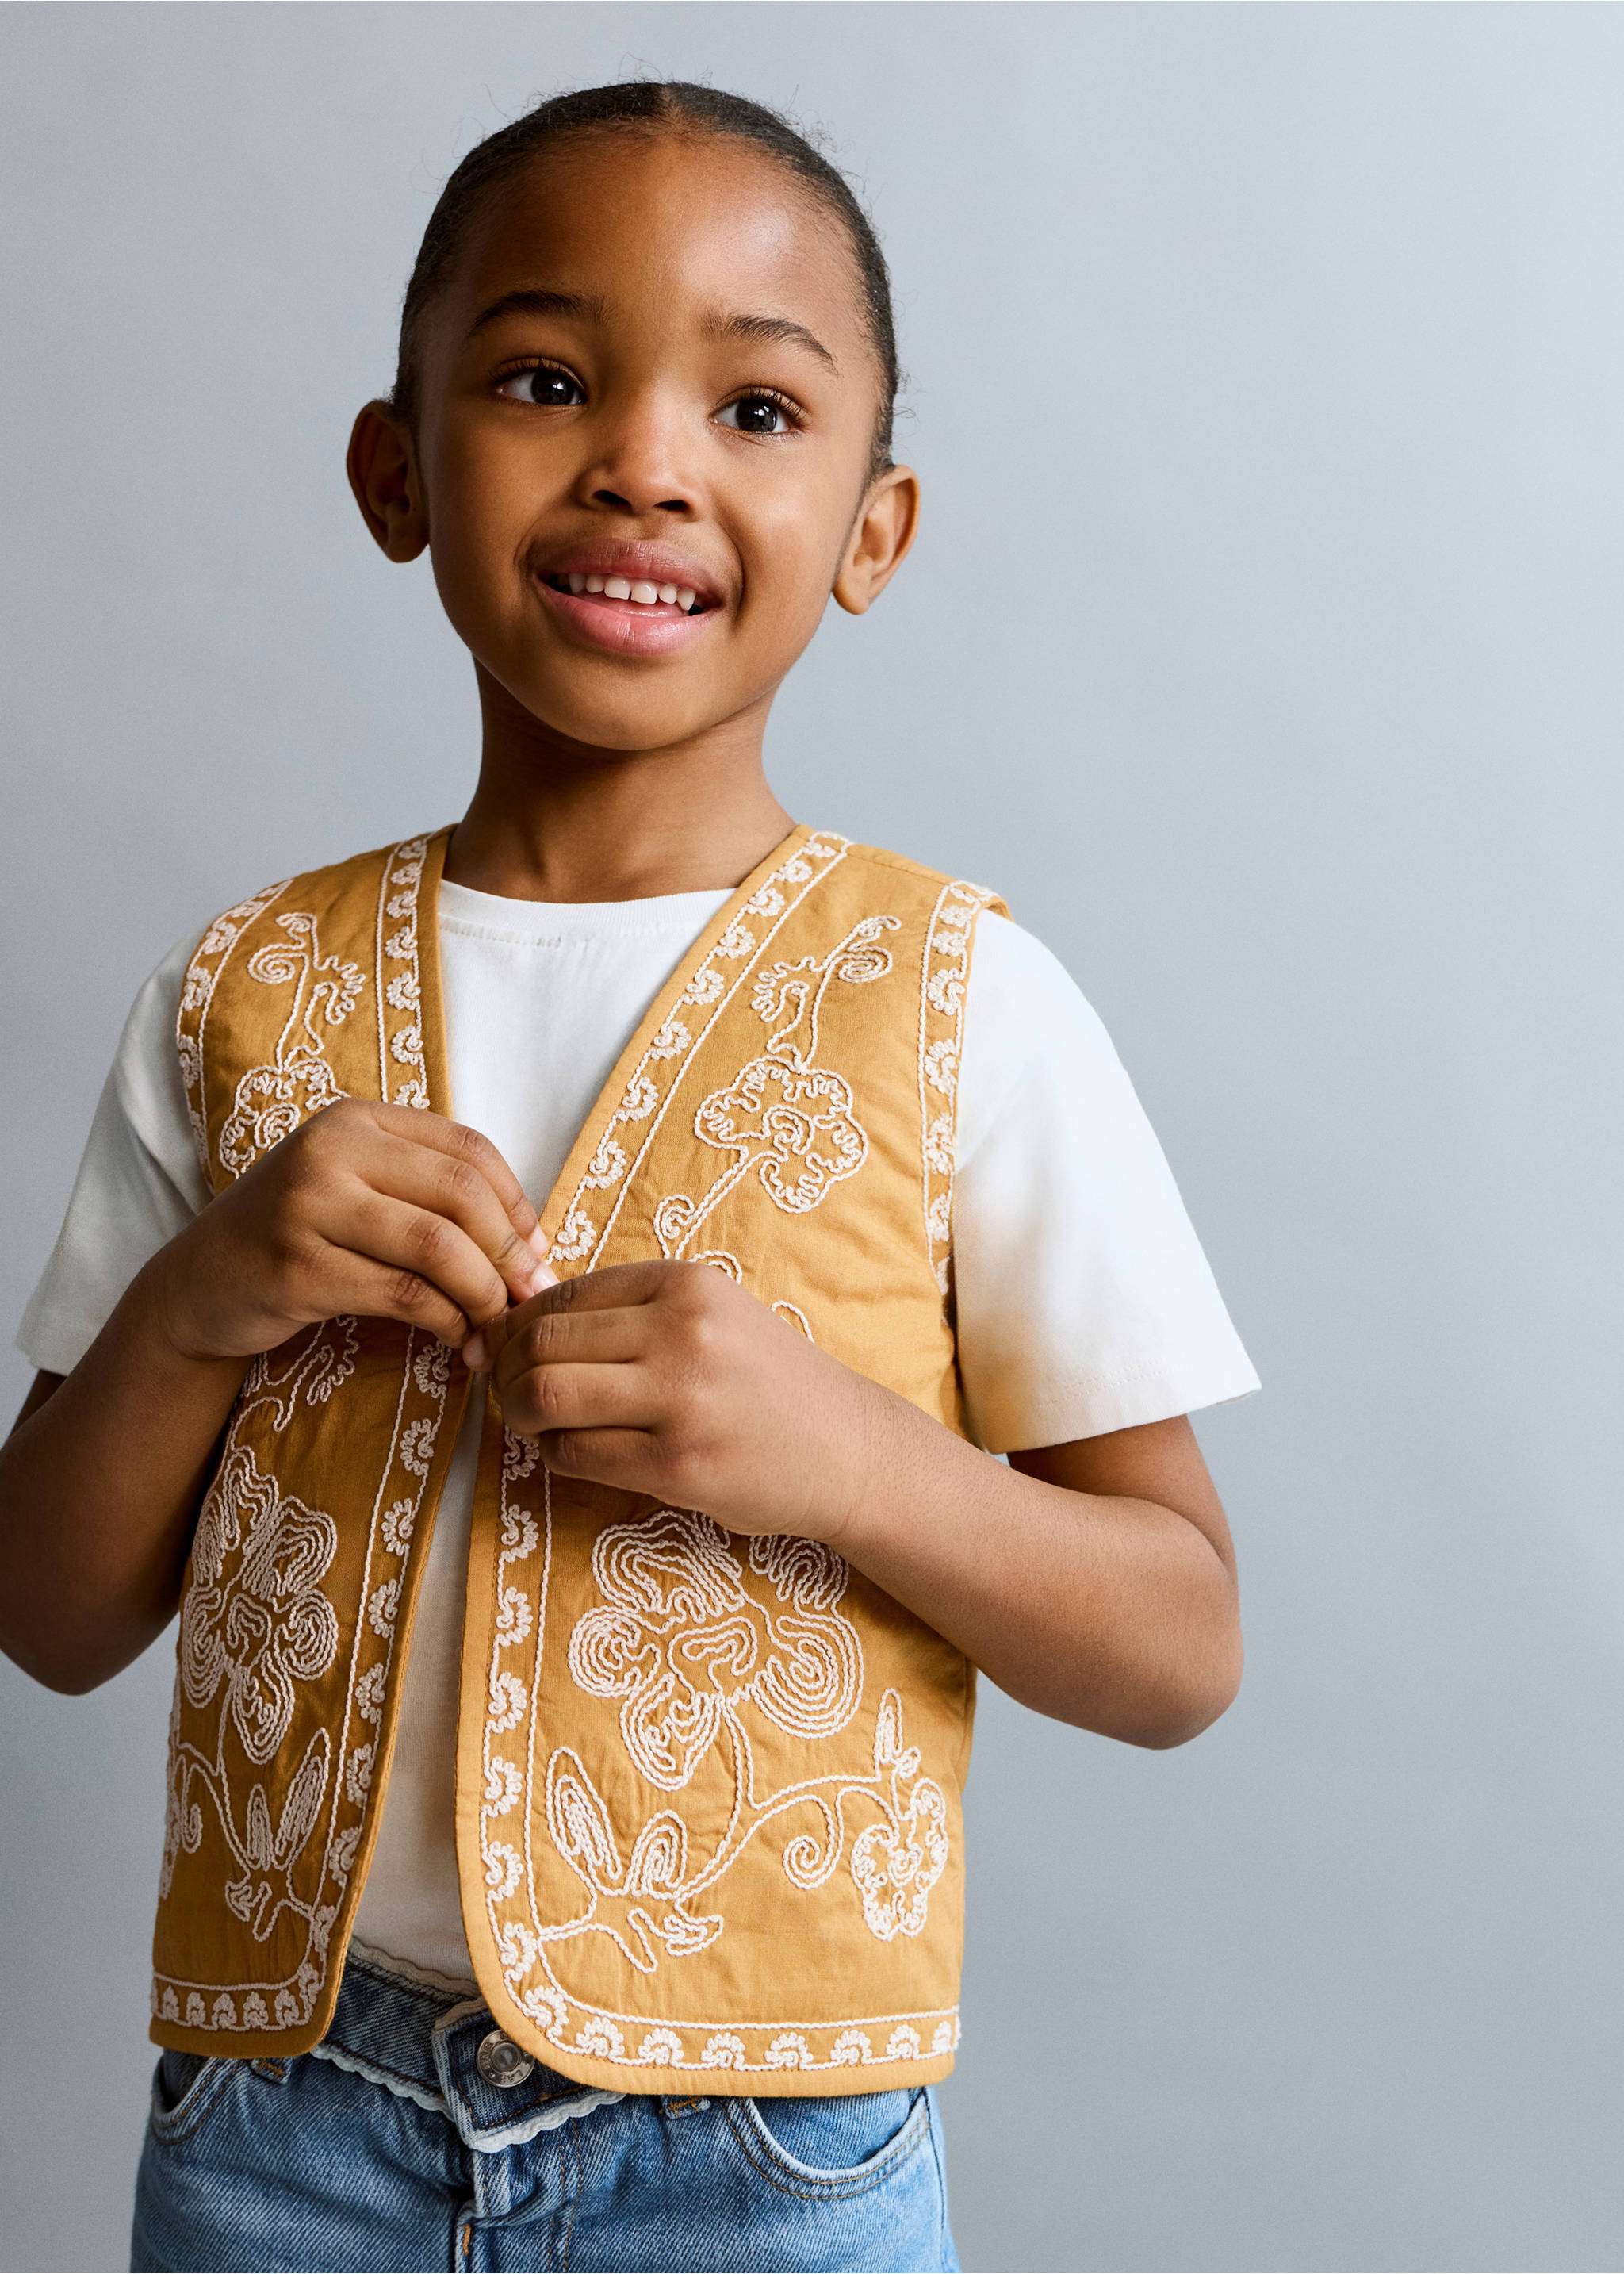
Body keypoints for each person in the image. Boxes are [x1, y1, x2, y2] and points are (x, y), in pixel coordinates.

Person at [0, 81, 1258, 2274]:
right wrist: (209, 1291)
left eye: (757, 405)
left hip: (762, 2159)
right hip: (275, 2136)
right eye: (546, 377)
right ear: (398, 466)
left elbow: (1182, 1637)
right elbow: (49, 1606)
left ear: (875, 526)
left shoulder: (964, 1001)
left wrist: (859, 1459)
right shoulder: (238, 996)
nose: (646, 462)